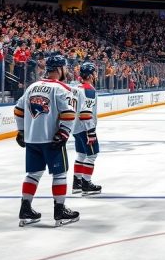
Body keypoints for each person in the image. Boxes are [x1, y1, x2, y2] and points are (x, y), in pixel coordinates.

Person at [13, 54, 80, 227]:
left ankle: (25, 208)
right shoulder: (61, 88)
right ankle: (60, 210)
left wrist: (21, 132)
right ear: (59, 69)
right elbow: (68, 113)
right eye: (65, 67)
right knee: (60, 174)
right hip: (51, 139)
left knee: (33, 174)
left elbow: (18, 110)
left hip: (32, 139)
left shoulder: (32, 86)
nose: (66, 70)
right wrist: (64, 133)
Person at [72, 62, 102, 196]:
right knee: (92, 155)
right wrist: (91, 132)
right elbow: (86, 113)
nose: (96, 75)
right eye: (94, 72)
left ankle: (77, 183)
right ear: (90, 75)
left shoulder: (75, 88)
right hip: (85, 127)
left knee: (81, 154)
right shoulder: (88, 89)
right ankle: (86, 183)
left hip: (75, 127)